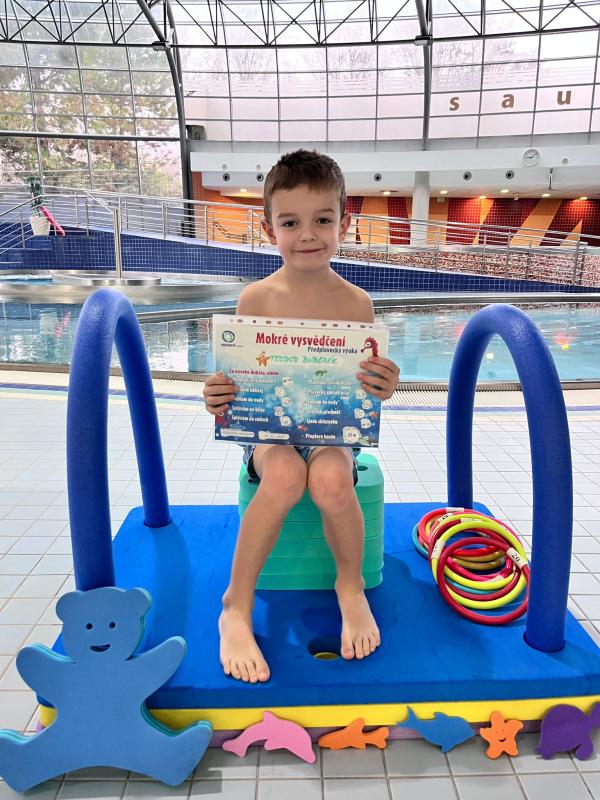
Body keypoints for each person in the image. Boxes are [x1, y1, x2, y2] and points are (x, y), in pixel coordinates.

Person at [203, 149, 400, 683]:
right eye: (291, 223)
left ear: (344, 225)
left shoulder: (357, 305)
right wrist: (218, 396)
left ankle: (350, 587)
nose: (307, 235)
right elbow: (238, 385)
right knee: (287, 473)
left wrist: (385, 385)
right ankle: (236, 604)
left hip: (329, 430)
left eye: (322, 220)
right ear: (270, 230)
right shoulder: (256, 299)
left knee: (332, 478)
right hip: (269, 433)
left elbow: (363, 389)